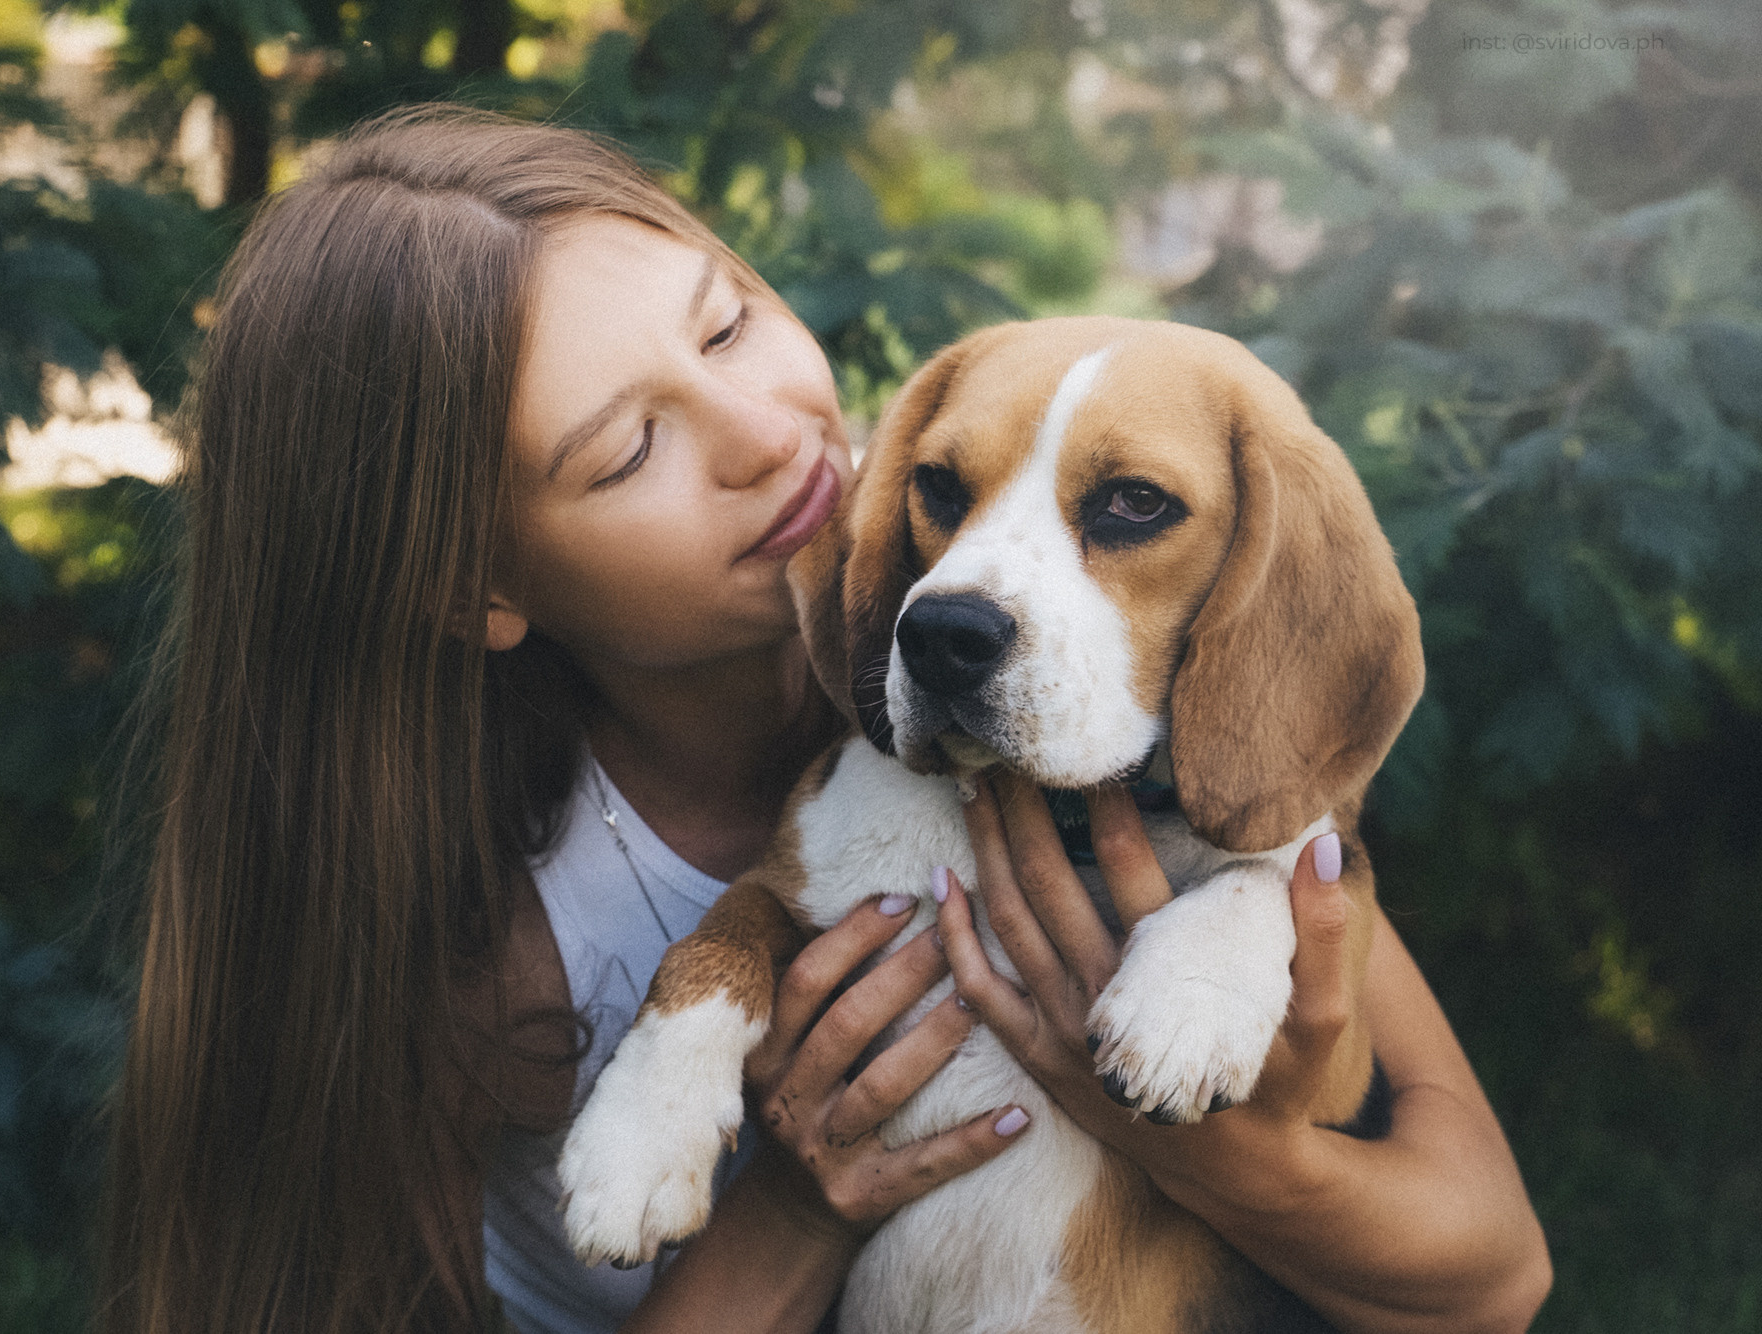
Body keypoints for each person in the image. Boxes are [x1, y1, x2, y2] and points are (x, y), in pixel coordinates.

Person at [100, 106, 1551, 1334]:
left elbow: (1498, 1266)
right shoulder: (468, 945)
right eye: (630, 449)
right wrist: (793, 1204)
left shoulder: (1125, 746)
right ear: (473, 583)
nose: (763, 435)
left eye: (726, 323)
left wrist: (1205, 1150)